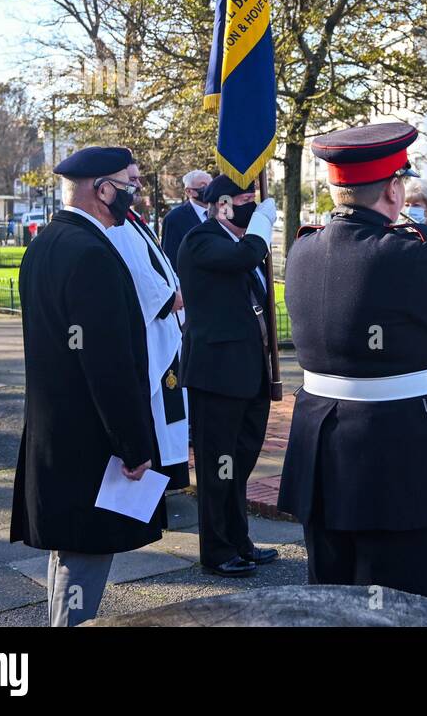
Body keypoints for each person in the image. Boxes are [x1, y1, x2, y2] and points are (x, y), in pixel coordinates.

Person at [277, 122, 427, 600]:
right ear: (394, 189)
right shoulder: (407, 254)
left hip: (322, 445)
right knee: (405, 600)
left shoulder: (303, 247)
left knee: (331, 598)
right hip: (400, 450)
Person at [9, 146, 164, 627]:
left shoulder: (47, 242)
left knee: (69, 553)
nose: (135, 195)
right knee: (86, 556)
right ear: (102, 190)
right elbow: (108, 366)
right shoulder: (93, 254)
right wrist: (134, 445)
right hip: (89, 442)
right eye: (130, 184)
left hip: (57, 433)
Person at [176, 175, 278, 576]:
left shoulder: (234, 242)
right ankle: (217, 551)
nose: (252, 205)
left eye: (255, 198)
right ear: (221, 204)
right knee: (219, 467)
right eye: (245, 199)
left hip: (248, 374)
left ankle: (240, 541)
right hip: (216, 376)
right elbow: (244, 259)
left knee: (240, 464)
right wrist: (262, 229)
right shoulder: (202, 239)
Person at [107, 155, 190, 490]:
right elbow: (139, 274)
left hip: (166, 326)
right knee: (159, 404)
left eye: (139, 178)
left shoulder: (132, 219)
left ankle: (167, 478)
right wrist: (170, 299)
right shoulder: (119, 226)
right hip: (152, 326)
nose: (138, 185)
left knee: (170, 408)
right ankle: (152, 482)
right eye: (132, 179)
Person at [161, 169, 211, 270]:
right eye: (203, 186)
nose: (209, 189)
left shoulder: (222, 213)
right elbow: (170, 256)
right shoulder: (174, 218)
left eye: (211, 185)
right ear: (189, 191)